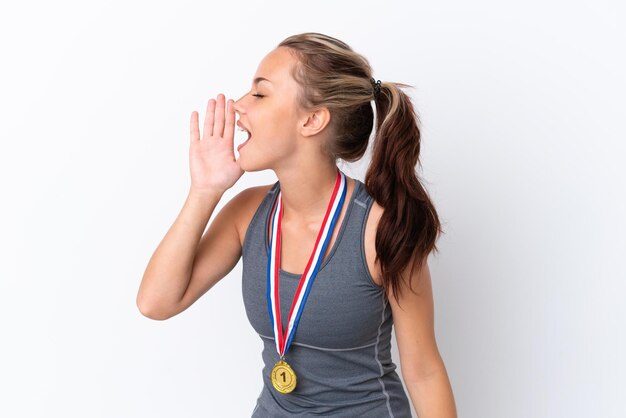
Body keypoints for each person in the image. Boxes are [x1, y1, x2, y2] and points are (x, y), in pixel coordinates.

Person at [137, 32, 457, 417]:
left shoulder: (379, 229)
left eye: (260, 93)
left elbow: (423, 372)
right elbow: (156, 303)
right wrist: (205, 191)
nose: (238, 105)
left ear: (312, 119)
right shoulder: (248, 213)